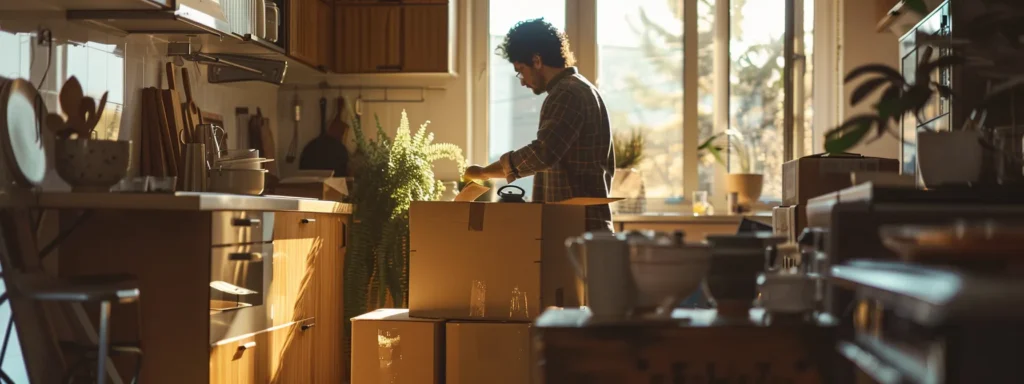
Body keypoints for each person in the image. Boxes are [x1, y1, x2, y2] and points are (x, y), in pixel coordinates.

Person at [463, 18, 616, 232]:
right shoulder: (580, 88)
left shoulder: (566, 93)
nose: (522, 80)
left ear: (536, 61)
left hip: (577, 227)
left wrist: (484, 172)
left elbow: (543, 153)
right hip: (582, 225)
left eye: (521, 70)